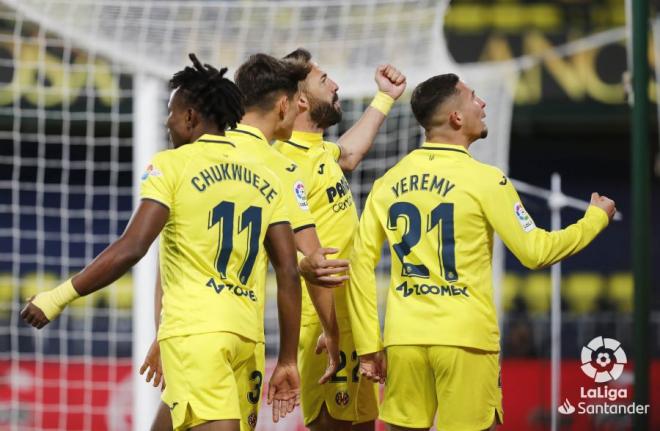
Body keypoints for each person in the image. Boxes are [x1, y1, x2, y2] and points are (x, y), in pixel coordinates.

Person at [21, 54, 304, 431]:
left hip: (195, 333)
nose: (167, 123)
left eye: (171, 114)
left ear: (190, 117)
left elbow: (132, 247)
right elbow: (287, 269)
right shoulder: (267, 173)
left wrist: (57, 297)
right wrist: (286, 359)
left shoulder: (172, 164)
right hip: (247, 339)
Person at [347, 73, 616, 431]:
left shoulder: (387, 182)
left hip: (404, 340)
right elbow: (535, 252)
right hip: (465, 339)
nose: (482, 104)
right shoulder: (487, 180)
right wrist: (594, 220)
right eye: (473, 98)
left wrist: (369, 345)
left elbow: (360, 265)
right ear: (456, 118)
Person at [140, 53, 349, 430]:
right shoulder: (279, 168)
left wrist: (164, 331)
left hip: (187, 328)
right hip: (239, 336)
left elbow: (167, 254)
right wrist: (332, 334)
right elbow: (314, 263)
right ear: (285, 104)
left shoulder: (203, 144)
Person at [274, 48, 406, 431]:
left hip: (350, 315)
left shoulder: (317, 152)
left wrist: (384, 97)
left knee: (361, 424)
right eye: (324, 80)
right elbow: (312, 259)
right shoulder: (288, 162)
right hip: (324, 319)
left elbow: (348, 153)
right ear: (300, 100)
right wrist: (332, 331)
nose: (336, 86)